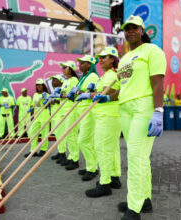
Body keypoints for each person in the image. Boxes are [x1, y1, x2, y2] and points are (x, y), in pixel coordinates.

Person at [93, 16, 166, 219]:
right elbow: (122, 89)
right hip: (125, 108)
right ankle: (144, 199)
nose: (130, 31)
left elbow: (158, 82)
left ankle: (134, 208)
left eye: (134, 28)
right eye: (127, 29)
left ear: (142, 30)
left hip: (143, 106)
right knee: (140, 157)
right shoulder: (125, 58)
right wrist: (106, 97)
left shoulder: (153, 51)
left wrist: (158, 112)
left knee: (134, 156)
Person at [76, 47, 122, 196]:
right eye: (99, 57)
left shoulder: (112, 75)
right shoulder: (106, 75)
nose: (100, 60)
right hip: (106, 115)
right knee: (112, 148)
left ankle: (105, 183)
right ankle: (114, 177)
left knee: (102, 148)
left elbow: (106, 93)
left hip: (108, 116)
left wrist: (88, 95)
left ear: (113, 59)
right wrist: (89, 92)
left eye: (104, 57)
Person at [75, 54, 99, 181]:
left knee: (83, 141)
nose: (80, 65)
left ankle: (92, 168)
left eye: (83, 63)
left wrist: (79, 92)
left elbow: (90, 93)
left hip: (89, 112)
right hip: (82, 111)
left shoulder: (93, 76)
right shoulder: (84, 77)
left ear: (89, 65)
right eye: (80, 62)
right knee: (87, 141)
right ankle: (91, 166)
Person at [57, 61, 79, 170]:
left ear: (70, 69)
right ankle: (71, 157)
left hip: (71, 110)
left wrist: (62, 94)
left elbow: (73, 95)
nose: (63, 69)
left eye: (65, 67)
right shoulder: (66, 81)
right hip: (64, 110)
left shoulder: (74, 80)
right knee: (67, 135)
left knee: (72, 135)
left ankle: (75, 159)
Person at [25, 78, 49, 157]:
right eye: (37, 85)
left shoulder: (47, 94)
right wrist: (30, 108)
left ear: (43, 86)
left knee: (44, 134)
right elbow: (33, 104)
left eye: (40, 85)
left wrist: (45, 98)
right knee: (32, 133)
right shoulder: (35, 94)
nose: (39, 86)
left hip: (44, 116)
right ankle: (33, 150)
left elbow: (47, 106)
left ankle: (43, 149)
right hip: (36, 116)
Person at [48, 75, 65, 160]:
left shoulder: (62, 89)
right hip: (55, 115)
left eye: (54, 80)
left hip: (61, 114)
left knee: (60, 134)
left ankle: (63, 153)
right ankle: (60, 151)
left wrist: (54, 99)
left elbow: (63, 100)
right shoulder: (55, 90)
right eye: (52, 80)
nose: (52, 82)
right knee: (57, 135)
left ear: (60, 81)